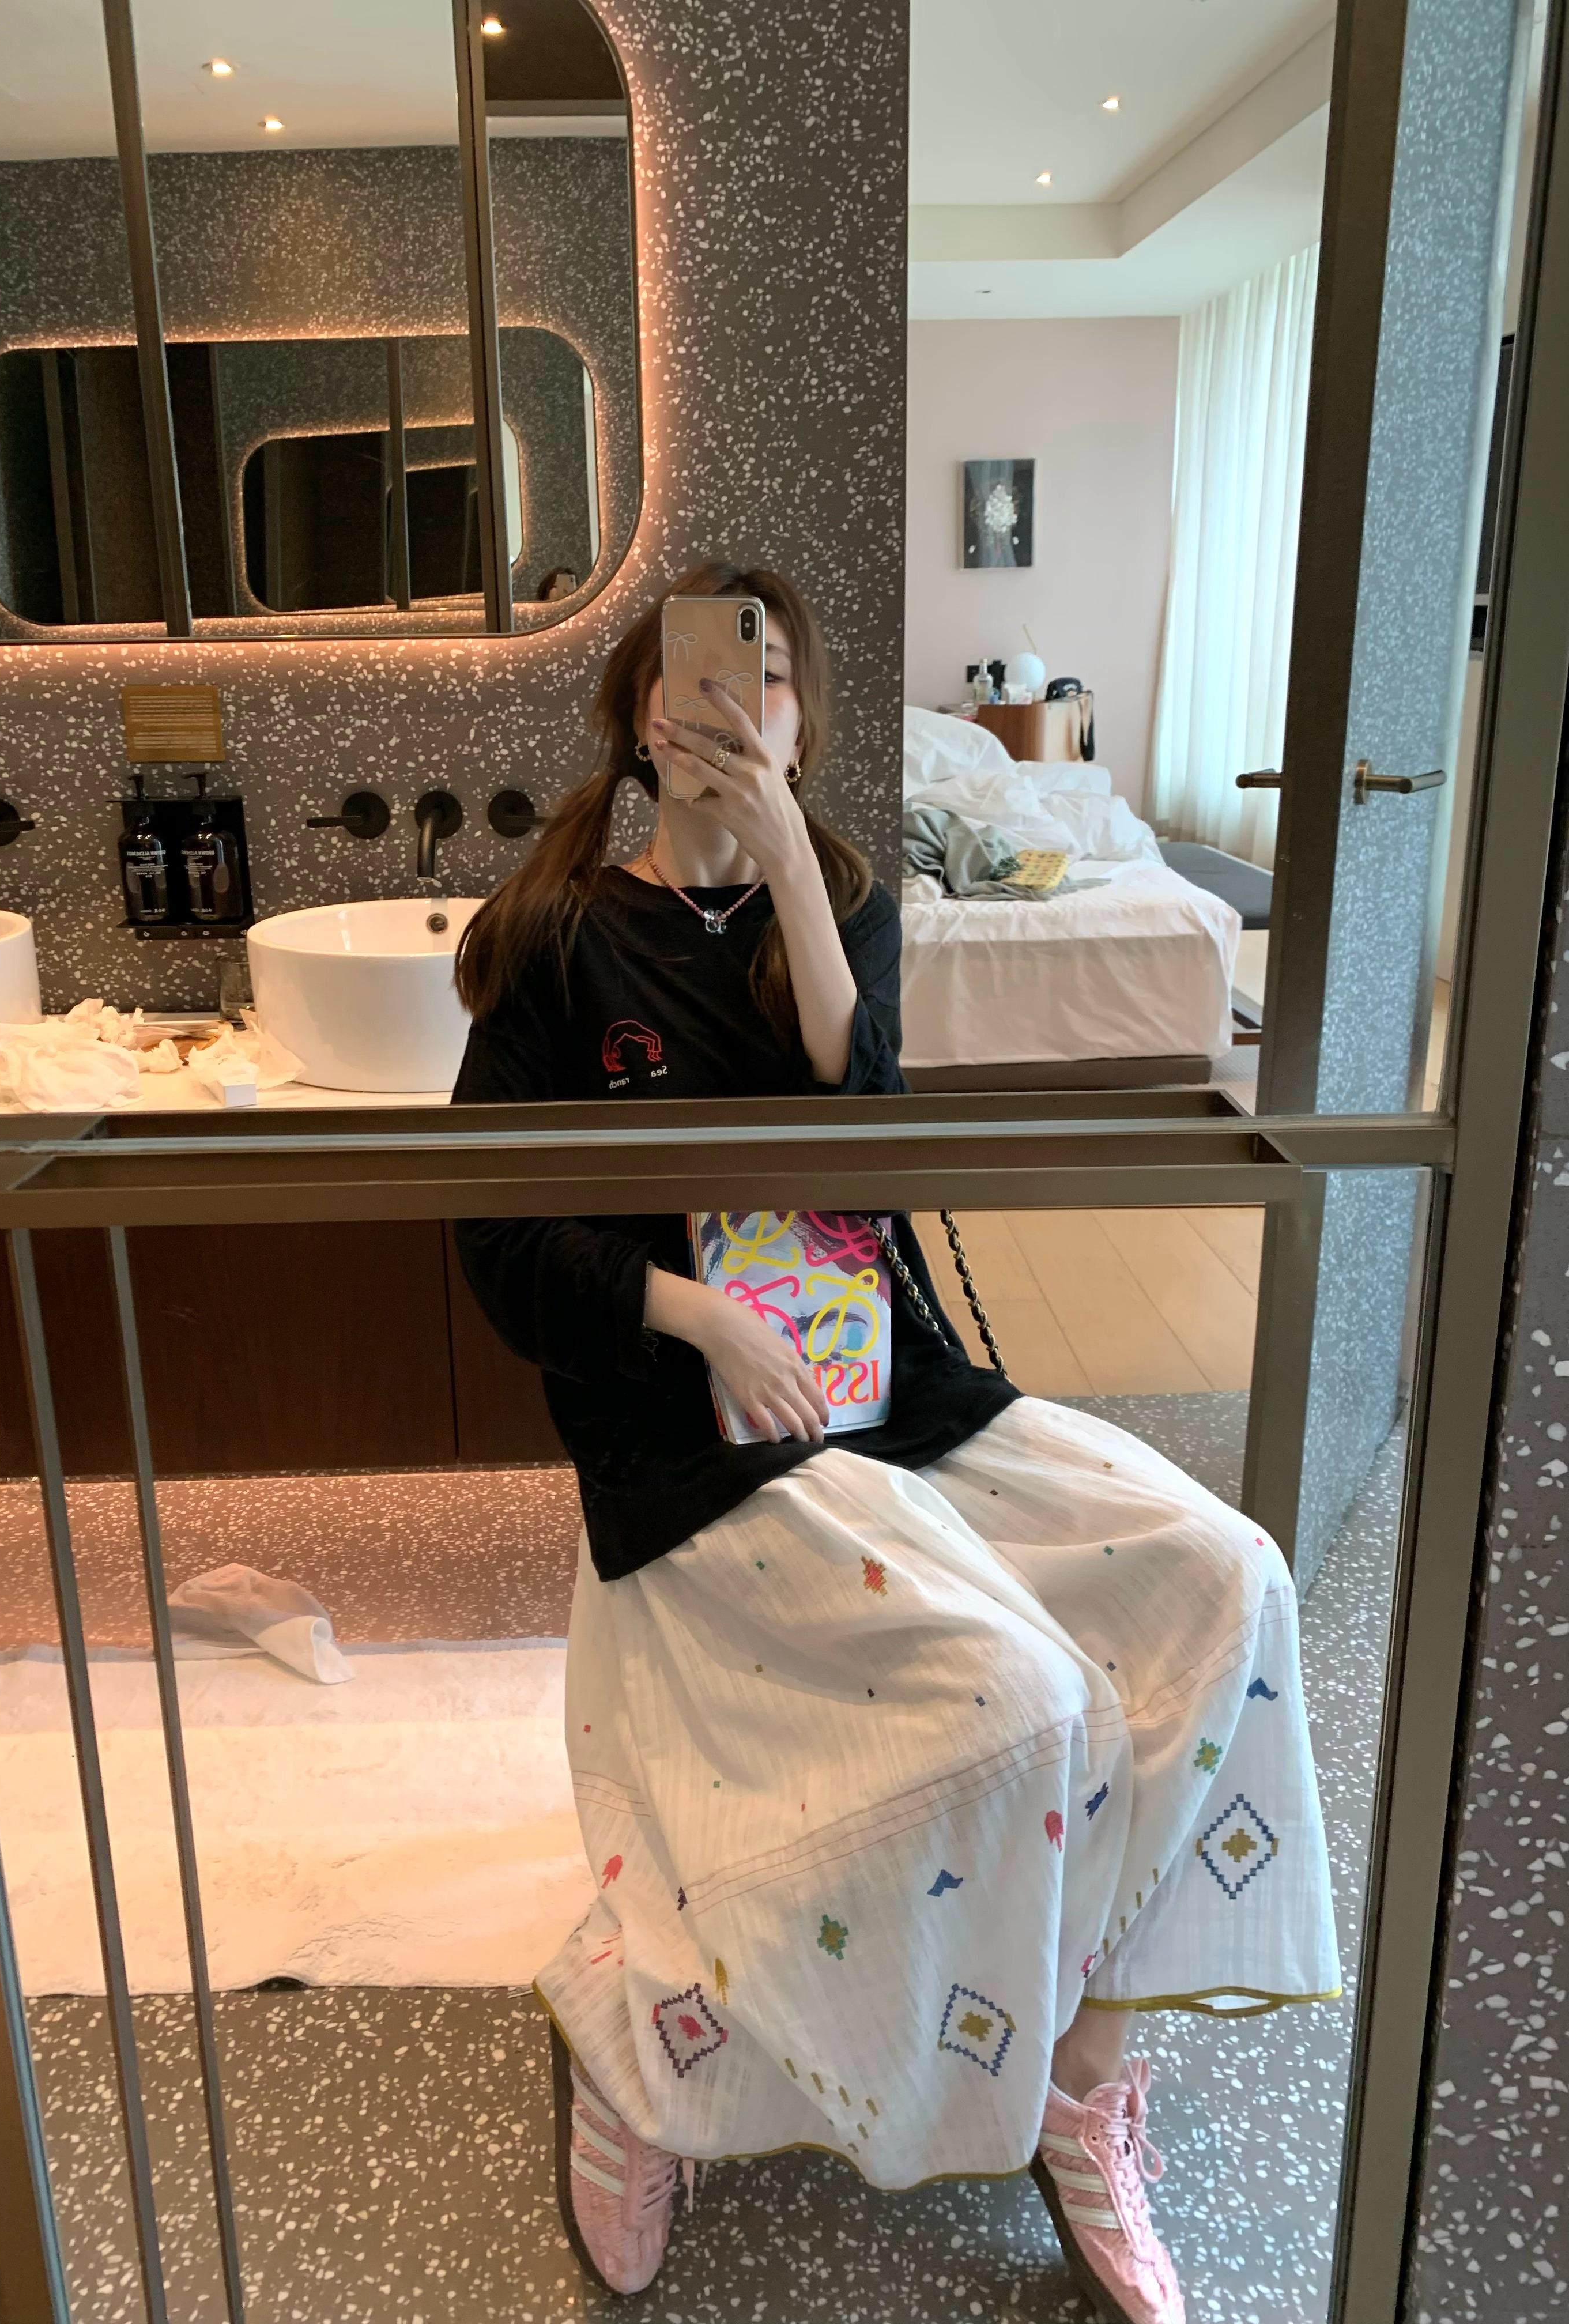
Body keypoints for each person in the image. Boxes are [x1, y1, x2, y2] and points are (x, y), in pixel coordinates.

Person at [450, 562, 1338, 2321]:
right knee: (1026, 1699)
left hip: (893, 1388)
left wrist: (789, 857)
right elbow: (494, 1234)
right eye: (704, 673)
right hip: (690, 1432)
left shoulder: (849, 905)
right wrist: (693, 1313)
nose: (734, 701)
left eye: (771, 678)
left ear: (805, 720)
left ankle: (1079, 2088)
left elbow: (869, 1155)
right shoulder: (557, 935)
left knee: (1229, 1579)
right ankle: (644, 2058)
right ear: (641, 712)